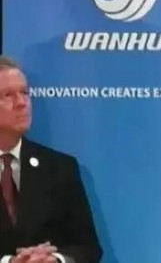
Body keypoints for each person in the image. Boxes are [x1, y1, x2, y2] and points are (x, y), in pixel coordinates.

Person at [0, 56, 102, 263]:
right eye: (8, 95)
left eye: (24, 93)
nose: (22, 103)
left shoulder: (60, 168)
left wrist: (56, 259)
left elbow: (88, 247)